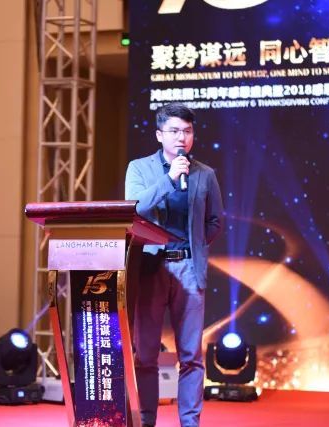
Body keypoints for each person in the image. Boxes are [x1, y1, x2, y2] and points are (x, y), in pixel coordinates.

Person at [125, 102, 224, 427]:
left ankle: (190, 422)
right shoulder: (139, 169)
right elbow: (134, 208)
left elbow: (214, 221)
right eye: (174, 131)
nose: (181, 137)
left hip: (188, 270)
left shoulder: (205, 174)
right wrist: (169, 178)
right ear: (159, 135)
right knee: (145, 354)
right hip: (150, 269)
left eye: (187, 131)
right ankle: (147, 420)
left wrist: (194, 246)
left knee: (191, 356)